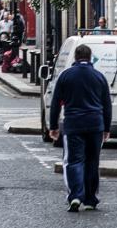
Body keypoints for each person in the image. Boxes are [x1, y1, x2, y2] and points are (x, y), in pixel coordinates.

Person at [48, 45, 112, 212]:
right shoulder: (99, 77)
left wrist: (53, 126)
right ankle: (91, 200)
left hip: (73, 125)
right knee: (92, 162)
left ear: (75, 57)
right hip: (95, 125)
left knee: (73, 161)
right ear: (90, 58)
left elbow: (55, 103)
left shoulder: (65, 75)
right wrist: (107, 128)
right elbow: (107, 105)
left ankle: (75, 196)